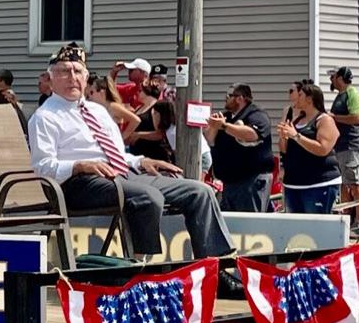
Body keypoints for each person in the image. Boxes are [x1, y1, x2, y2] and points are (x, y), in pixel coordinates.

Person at [29, 43, 234, 259]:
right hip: (77, 184)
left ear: (86, 77)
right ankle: (140, 268)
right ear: (51, 79)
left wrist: (141, 161)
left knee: (200, 192)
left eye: (77, 71)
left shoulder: (97, 110)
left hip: (119, 176)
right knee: (147, 196)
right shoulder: (45, 117)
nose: (72, 77)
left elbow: (117, 154)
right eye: (64, 71)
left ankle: (216, 266)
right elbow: (43, 168)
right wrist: (80, 166)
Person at [205, 84, 274, 213]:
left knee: (249, 226)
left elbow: (253, 134)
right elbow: (210, 140)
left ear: (240, 98)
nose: (225, 99)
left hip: (250, 181)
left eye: (228, 96)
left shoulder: (256, 114)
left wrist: (225, 126)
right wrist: (214, 126)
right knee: (231, 225)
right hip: (229, 181)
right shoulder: (225, 117)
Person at [277, 83, 341, 214]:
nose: (296, 97)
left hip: (318, 184)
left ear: (310, 99)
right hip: (293, 183)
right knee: (295, 232)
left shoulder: (324, 120)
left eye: (300, 95)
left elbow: (323, 149)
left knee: (316, 229)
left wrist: (296, 136)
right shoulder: (296, 120)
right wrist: (283, 137)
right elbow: (284, 150)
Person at [327, 66, 359, 220]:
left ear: (341, 78)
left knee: (354, 184)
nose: (331, 80)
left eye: (333, 77)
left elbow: (357, 118)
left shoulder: (352, 93)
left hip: (350, 145)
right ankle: (347, 218)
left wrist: (334, 117)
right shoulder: (339, 96)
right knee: (344, 184)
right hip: (340, 146)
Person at [85, 74, 140, 141]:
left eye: (92, 92)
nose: (89, 96)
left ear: (102, 92)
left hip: (114, 146)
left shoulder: (113, 106)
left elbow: (135, 120)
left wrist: (121, 138)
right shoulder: (99, 108)